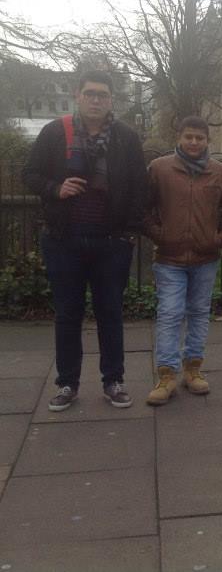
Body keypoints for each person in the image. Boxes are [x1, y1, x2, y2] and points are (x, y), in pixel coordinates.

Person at [22, 71, 147, 411]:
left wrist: (127, 232)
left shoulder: (125, 137)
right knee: (67, 314)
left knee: (110, 312)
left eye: (103, 95)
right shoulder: (54, 132)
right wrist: (55, 189)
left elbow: (140, 185)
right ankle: (67, 384)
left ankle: (113, 380)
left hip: (111, 242)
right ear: (78, 95)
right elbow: (30, 174)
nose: (96, 100)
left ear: (111, 100)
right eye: (90, 93)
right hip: (64, 241)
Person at [143, 116, 222, 405]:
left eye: (199, 138)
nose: (194, 142)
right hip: (169, 257)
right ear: (179, 138)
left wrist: (218, 238)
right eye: (189, 137)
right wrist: (160, 235)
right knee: (170, 313)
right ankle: (166, 375)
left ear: (207, 140)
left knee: (198, 312)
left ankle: (193, 369)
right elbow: (143, 209)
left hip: (205, 257)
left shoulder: (221, 173)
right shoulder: (160, 169)